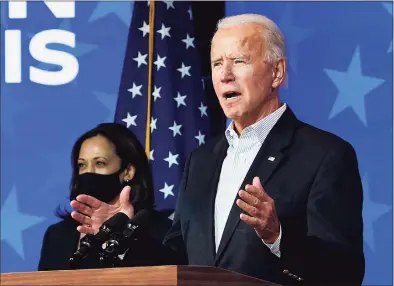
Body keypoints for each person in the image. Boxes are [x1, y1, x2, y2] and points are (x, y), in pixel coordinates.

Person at [71, 14, 365, 285]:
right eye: (216, 64)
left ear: (277, 72)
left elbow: (345, 271)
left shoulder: (324, 155)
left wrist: (277, 236)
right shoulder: (201, 161)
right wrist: (123, 237)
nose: (224, 75)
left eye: (239, 61)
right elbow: (178, 261)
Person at [38, 123, 173, 271]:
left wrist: (122, 236)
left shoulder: (162, 229)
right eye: (82, 165)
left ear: (128, 171)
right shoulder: (57, 235)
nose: (89, 172)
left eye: (100, 163)